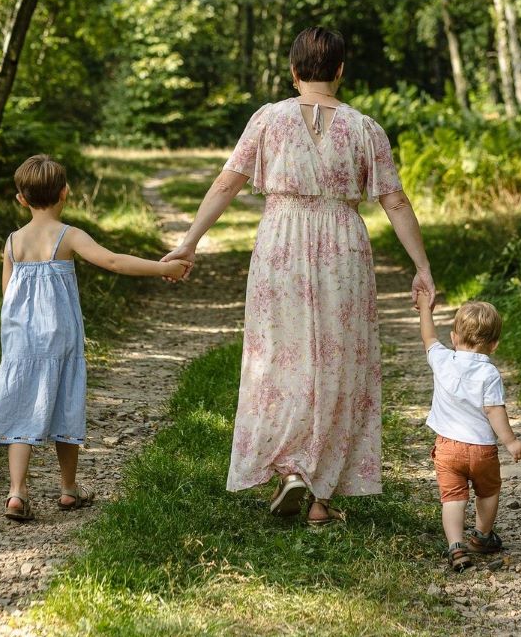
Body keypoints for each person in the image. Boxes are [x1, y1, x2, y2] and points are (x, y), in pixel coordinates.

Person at [162, 27, 435, 525]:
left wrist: (190, 240)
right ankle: (320, 495)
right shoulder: (365, 128)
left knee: (279, 356)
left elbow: (227, 182)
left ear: (293, 72)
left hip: (281, 245)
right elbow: (394, 201)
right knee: (336, 362)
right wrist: (422, 268)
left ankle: (290, 467)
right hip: (343, 247)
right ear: (340, 71)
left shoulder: (268, 120)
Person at [0, 154, 192, 521]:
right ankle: (68, 489)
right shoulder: (68, 235)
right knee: (65, 399)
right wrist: (164, 268)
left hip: (20, 341)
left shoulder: (12, 242)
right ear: (65, 193)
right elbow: (113, 261)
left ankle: (17, 493)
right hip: (60, 336)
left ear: (21, 198)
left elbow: (8, 298)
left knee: (22, 406)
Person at [415, 290, 521, 571]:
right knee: (488, 492)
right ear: (494, 345)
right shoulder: (489, 373)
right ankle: (481, 536)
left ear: (454, 338)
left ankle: (456, 547)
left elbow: (429, 338)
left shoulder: (442, 360)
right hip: (481, 450)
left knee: (452, 498)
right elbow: (494, 410)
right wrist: (511, 442)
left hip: (447, 449)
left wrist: (425, 309)